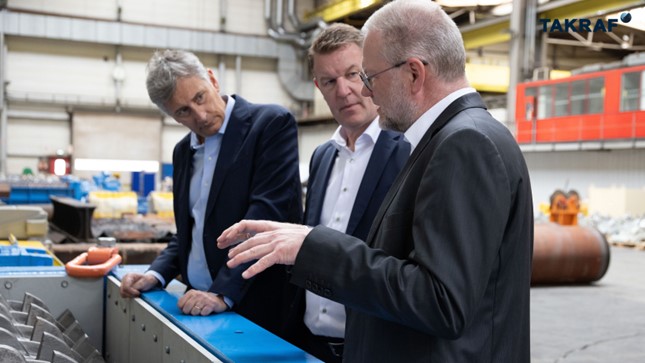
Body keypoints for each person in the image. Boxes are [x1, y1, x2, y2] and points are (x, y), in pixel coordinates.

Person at [217, 0, 534, 361]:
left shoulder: (465, 143)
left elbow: (441, 301)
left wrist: (314, 246)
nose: (365, 92)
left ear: (414, 74)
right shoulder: (453, 139)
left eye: (368, 77)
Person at [119, 49, 303, 335]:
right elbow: (191, 231)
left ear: (213, 80)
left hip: (253, 307)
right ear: (172, 115)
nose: (200, 116)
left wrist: (222, 294)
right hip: (197, 306)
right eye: (183, 111)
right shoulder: (183, 152)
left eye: (199, 97)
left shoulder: (269, 125)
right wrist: (155, 274)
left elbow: (265, 217)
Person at [284, 23, 409, 362]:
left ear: (369, 74)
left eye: (353, 74)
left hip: (374, 347)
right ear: (318, 87)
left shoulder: (408, 151)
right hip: (310, 344)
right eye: (329, 81)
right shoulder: (323, 157)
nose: (343, 91)